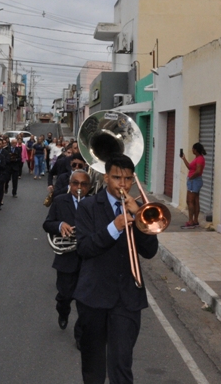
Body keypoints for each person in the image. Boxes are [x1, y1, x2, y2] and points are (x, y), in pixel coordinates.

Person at [74, 154, 158, 383]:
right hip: (93, 296)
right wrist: (114, 226)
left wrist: (139, 216)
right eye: (117, 178)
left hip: (127, 298)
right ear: (105, 178)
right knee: (93, 366)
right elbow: (84, 248)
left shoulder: (139, 209)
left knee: (121, 363)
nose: (123, 184)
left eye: (128, 179)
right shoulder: (88, 206)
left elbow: (150, 251)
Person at [43, 169, 90, 350]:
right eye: (75, 184)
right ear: (70, 185)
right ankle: (63, 311)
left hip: (88, 260)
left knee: (85, 302)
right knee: (65, 296)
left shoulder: (94, 203)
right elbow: (47, 223)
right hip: (66, 259)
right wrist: (60, 225)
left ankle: (81, 336)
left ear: (89, 186)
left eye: (83, 184)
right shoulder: (60, 200)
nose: (79, 187)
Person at [181, 143, 207, 229]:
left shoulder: (199, 159)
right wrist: (183, 158)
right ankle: (195, 220)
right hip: (195, 181)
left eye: (192, 149)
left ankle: (191, 221)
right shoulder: (198, 158)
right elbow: (190, 167)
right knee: (195, 201)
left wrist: (191, 178)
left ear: (195, 150)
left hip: (194, 181)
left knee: (190, 201)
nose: (192, 150)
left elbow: (198, 171)